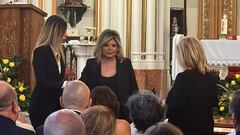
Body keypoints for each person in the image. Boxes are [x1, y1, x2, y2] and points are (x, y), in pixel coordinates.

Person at [80, 29, 139, 121]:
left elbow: (134, 90)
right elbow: (82, 87)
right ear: (100, 46)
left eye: (113, 45)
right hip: (96, 114)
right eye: (106, 45)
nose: (110, 48)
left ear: (118, 47)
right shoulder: (91, 64)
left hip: (122, 114)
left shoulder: (125, 63)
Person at [166, 37, 218, 135]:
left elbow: (174, 109)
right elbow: (214, 102)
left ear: (184, 56)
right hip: (205, 128)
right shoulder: (210, 78)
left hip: (184, 129)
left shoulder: (183, 78)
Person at [28, 15, 67, 129]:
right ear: (55, 32)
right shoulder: (40, 51)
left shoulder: (61, 51)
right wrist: (63, 84)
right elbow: (42, 81)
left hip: (56, 105)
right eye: (63, 31)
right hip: (41, 105)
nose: (66, 35)